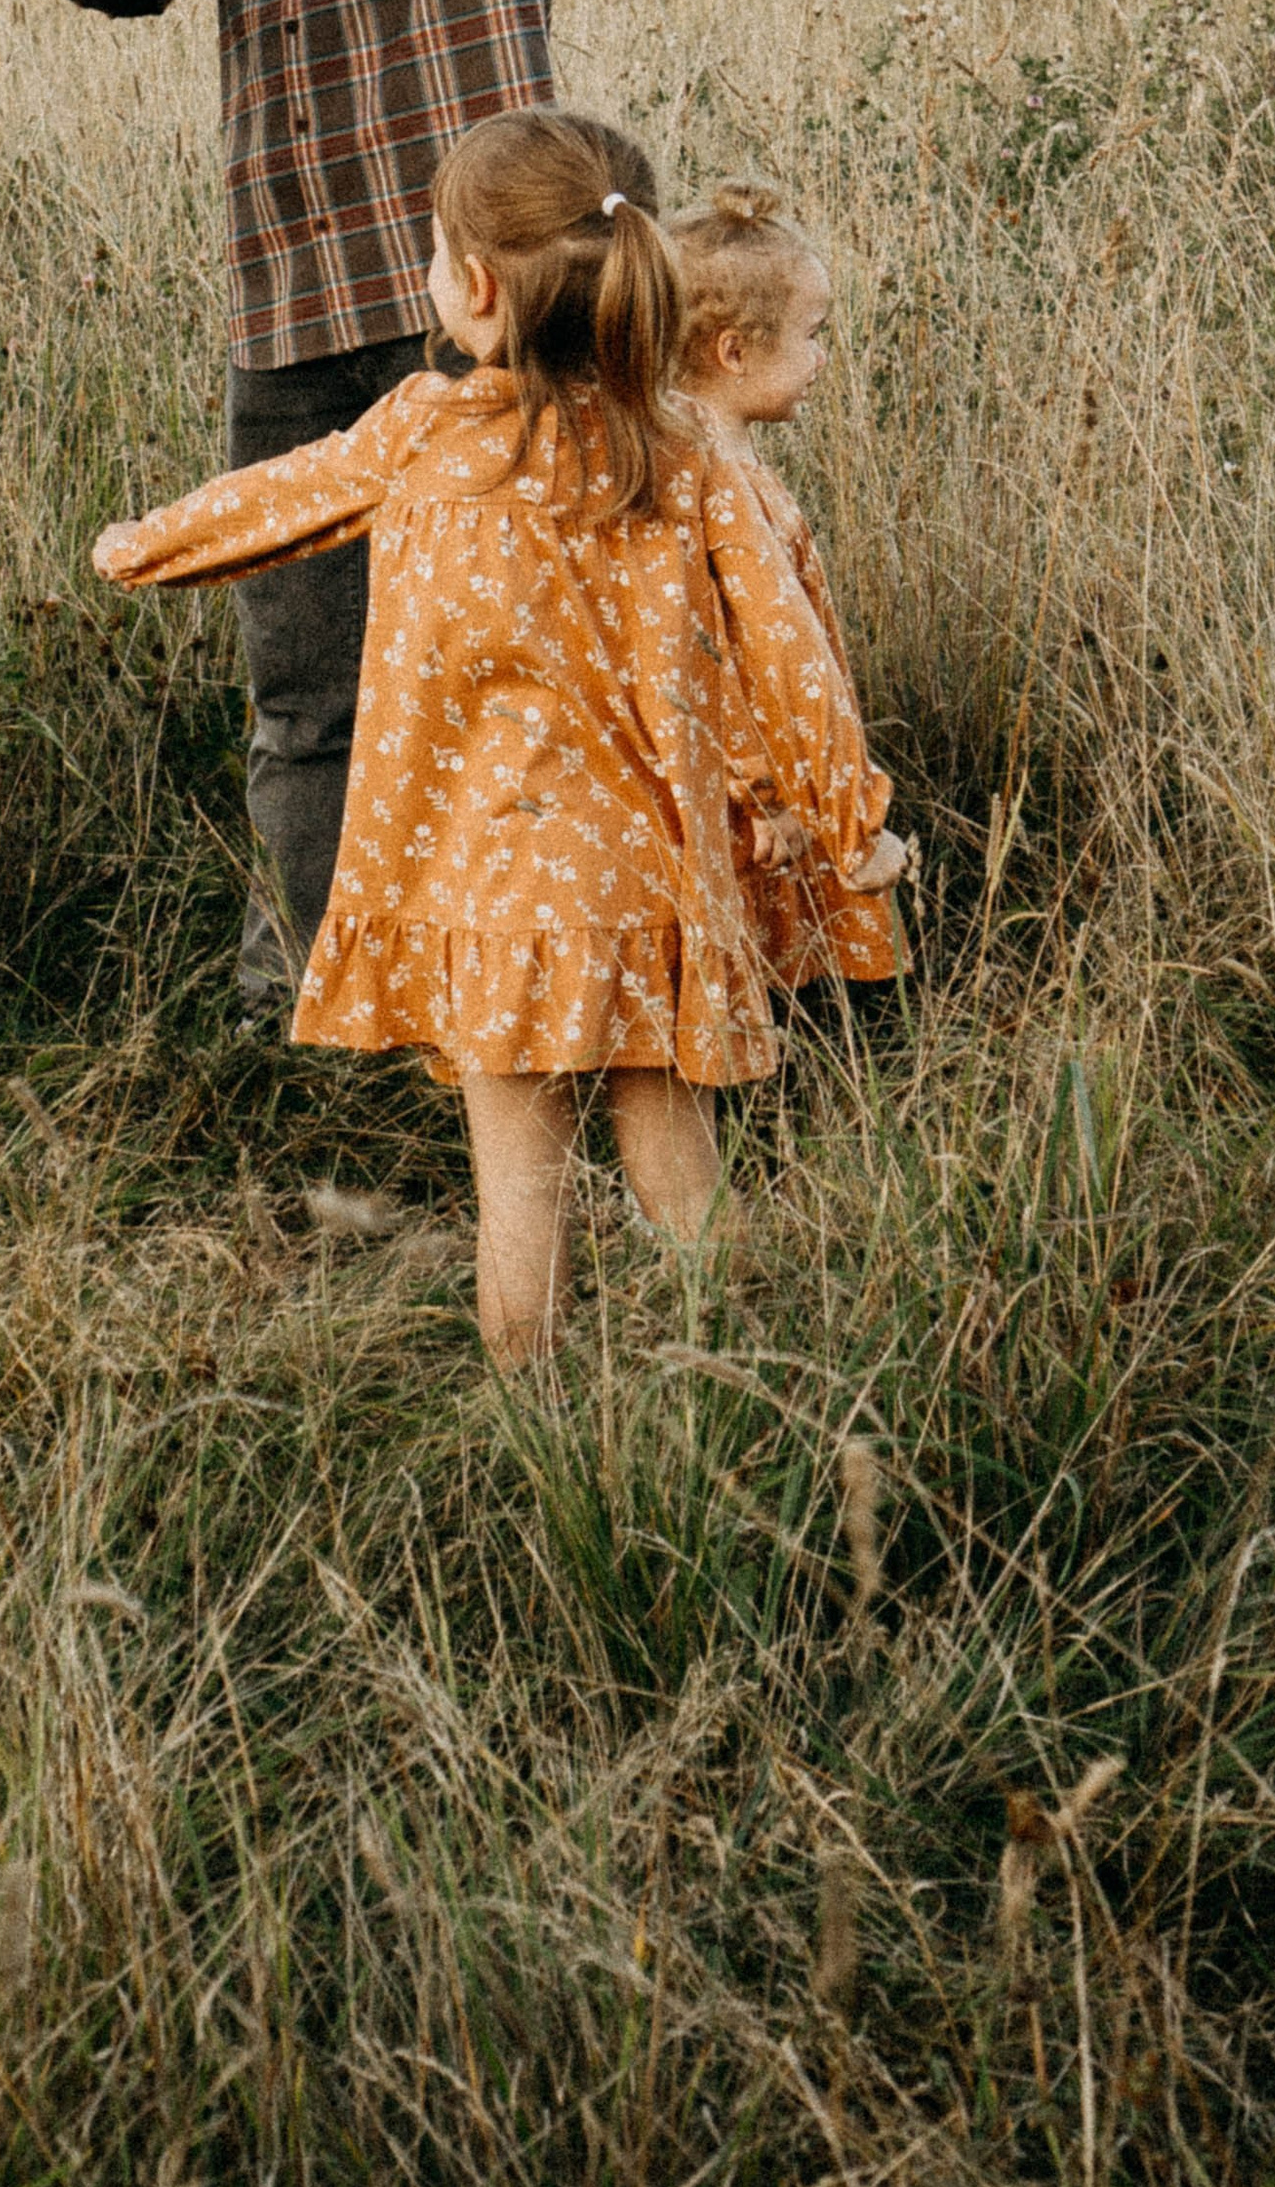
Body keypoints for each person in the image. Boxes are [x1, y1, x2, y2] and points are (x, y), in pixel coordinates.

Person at [90, 110, 909, 1363]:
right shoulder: (686, 452)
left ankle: (534, 1417)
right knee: (679, 1172)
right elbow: (788, 653)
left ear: (472, 286)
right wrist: (850, 818)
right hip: (646, 885)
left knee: (518, 1195)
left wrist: (139, 548)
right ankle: (743, 1380)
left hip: (487, 889)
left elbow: (277, 505)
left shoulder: (426, 429)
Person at [5, 0, 598, 1012]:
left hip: (475, 295)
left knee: (516, 665)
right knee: (306, 697)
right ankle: (330, 1014)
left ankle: (530, 994)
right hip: (288, 295)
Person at [668, 183, 904, 996]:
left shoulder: (708, 463)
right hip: (756, 789)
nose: (823, 359)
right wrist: (771, 791)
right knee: (747, 949)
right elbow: (729, 654)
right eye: (813, 336)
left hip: (752, 779)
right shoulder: (716, 484)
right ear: (734, 352)